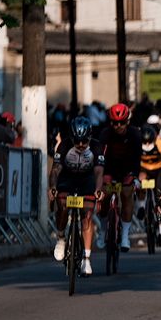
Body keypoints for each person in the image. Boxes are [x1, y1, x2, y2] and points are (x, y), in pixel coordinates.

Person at [50, 117, 104, 274]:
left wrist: (98, 189)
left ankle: (86, 259)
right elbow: (55, 170)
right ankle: (61, 237)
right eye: (77, 141)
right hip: (67, 179)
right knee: (62, 205)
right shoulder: (64, 145)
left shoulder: (96, 147)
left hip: (87, 180)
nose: (80, 145)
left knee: (87, 216)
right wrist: (53, 187)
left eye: (84, 141)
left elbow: (99, 172)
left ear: (90, 137)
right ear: (71, 138)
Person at [97, 103, 142, 251]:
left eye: (121, 123)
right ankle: (103, 229)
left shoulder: (135, 134)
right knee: (105, 194)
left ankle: (125, 236)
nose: (118, 126)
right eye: (115, 123)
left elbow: (137, 158)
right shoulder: (105, 134)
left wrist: (135, 177)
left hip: (127, 169)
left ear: (127, 121)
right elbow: (100, 158)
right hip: (110, 169)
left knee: (127, 194)